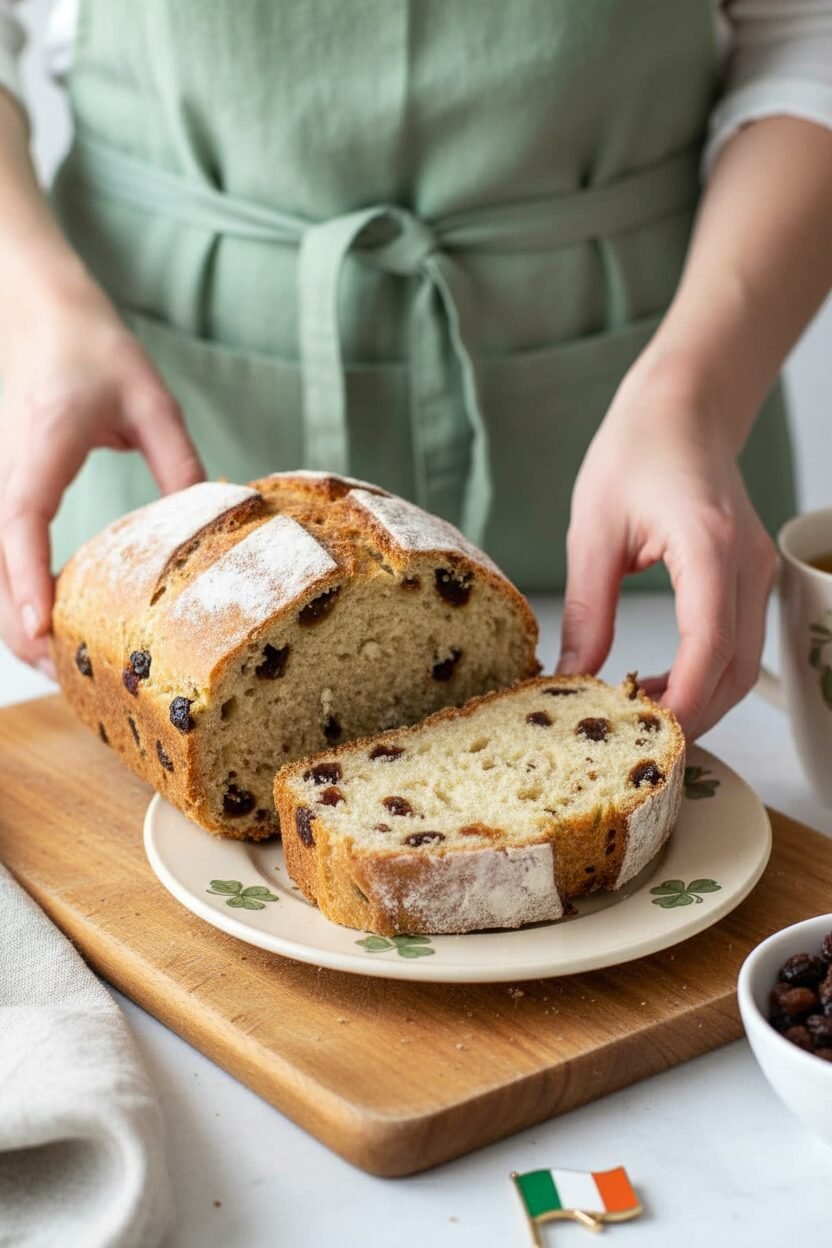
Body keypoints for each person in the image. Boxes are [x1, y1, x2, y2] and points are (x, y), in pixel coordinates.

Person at [1, 0, 831, 743]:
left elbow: (810, 33)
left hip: (662, 427)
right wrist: (35, 310)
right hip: (143, 443)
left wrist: (697, 397)